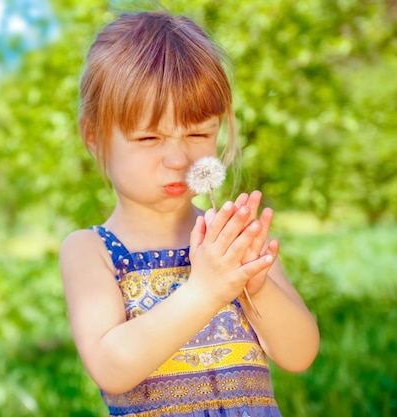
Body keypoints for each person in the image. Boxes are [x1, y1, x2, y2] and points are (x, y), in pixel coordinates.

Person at [59, 10, 320, 417]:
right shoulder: (91, 251)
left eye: (198, 133)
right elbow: (112, 368)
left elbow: (300, 354)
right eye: (149, 137)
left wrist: (258, 284)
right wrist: (205, 291)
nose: (178, 158)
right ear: (93, 136)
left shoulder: (228, 237)